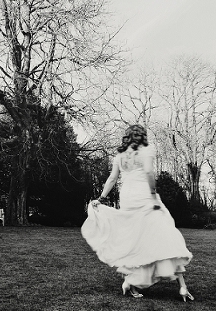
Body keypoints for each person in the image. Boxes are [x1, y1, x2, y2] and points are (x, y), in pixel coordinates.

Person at [81, 124, 194, 301]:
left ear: (127, 137)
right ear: (142, 136)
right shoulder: (146, 150)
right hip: (143, 195)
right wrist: (153, 195)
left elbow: (112, 178)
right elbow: (148, 172)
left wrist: (102, 197)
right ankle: (181, 286)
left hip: (127, 197)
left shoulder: (120, 154)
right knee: (163, 234)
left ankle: (130, 282)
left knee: (135, 239)